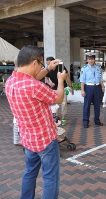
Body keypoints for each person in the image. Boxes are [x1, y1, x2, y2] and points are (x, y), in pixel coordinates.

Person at [5, 45, 66, 199]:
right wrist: (60, 80)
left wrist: (47, 69)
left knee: (29, 173)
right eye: (40, 64)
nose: (40, 67)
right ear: (33, 63)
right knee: (50, 178)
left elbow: (30, 79)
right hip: (45, 139)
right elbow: (58, 98)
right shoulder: (35, 86)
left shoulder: (11, 81)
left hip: (28, 139)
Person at [45, 57, 74, 126]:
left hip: (63, 88)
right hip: (54, 88)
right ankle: (56, 118)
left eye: (50, 64)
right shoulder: (48, 69)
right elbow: (46, 78)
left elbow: (67, 77)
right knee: (54, 104)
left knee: (63, 103)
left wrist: (70, 86)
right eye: (47, 64)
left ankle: (63, 118)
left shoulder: (60, 68)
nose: (49, 66)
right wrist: (49, 83)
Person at [80, 53, 105, 128]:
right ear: (87, 60)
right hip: (88, 87)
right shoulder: (84, 69)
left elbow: (100, 78)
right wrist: (82, 90)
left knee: (97, 105)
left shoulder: (98, 68)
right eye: (89, 59)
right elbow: (82, 80)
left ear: (94, 59)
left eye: (92, 59)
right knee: (87, 105)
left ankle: (97, 120)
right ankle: (85, 122)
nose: (90, 61)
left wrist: (102, 86)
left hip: (97, 87)